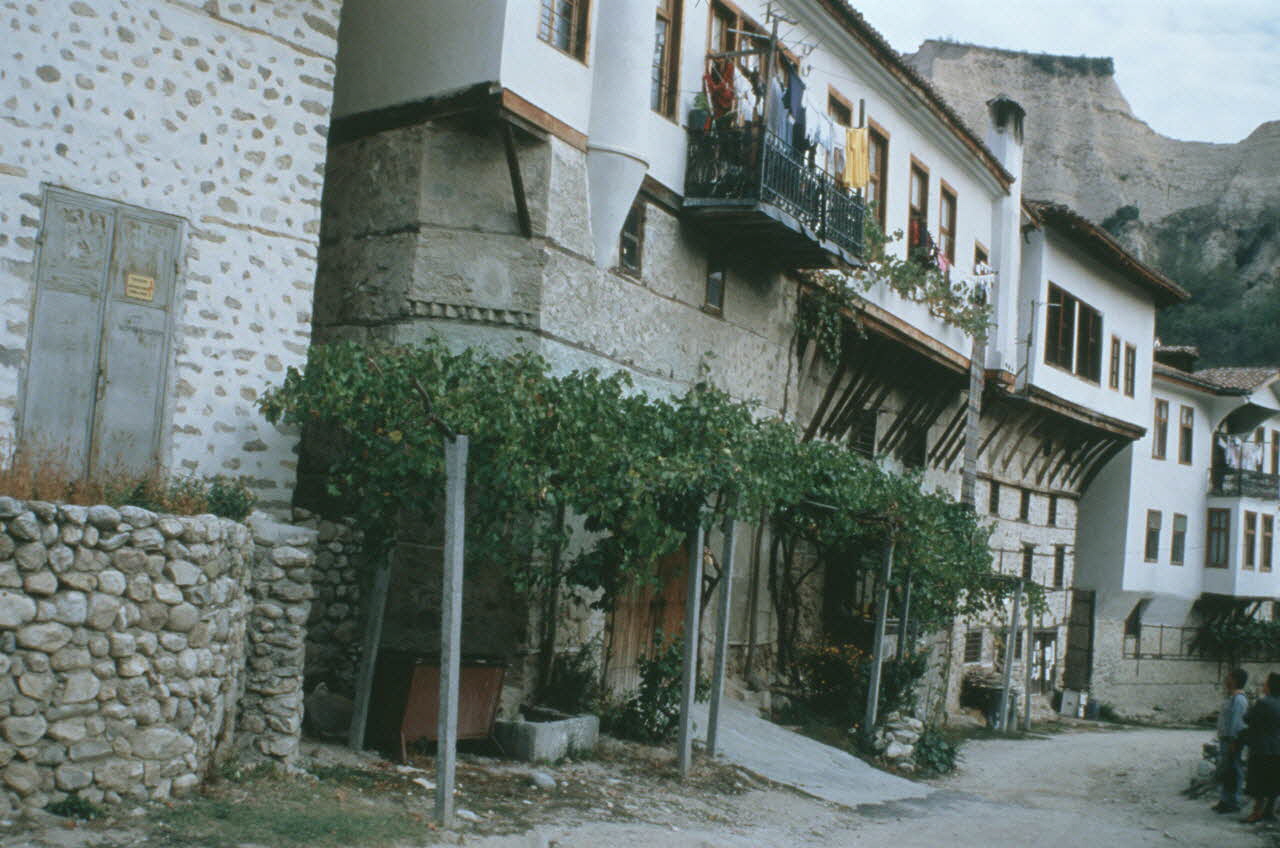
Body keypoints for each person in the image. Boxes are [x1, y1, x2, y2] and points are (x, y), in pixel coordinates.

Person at [1240, 671, 1280, 823]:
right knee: (1274, 782)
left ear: (1269, 686)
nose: (1263, 684)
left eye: (1265, 683)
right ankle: (1269, 812)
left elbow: (1247, 718)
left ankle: (1256, 812)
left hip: (1262, 747)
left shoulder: (1264, 703)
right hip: (1277, 747)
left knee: (1259, 782)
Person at [1214, 668, 1248, 813]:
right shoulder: (1232, 697)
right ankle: (1225, 800)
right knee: (1227, 770)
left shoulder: (1239, 700)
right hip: (1226, 740)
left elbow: (1237, 723)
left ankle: (1233, 802)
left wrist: (1234, 741)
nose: (1226, 680)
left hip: (1231, 741)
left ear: (1234, 680)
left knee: (1234, 771)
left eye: (1228, 677)